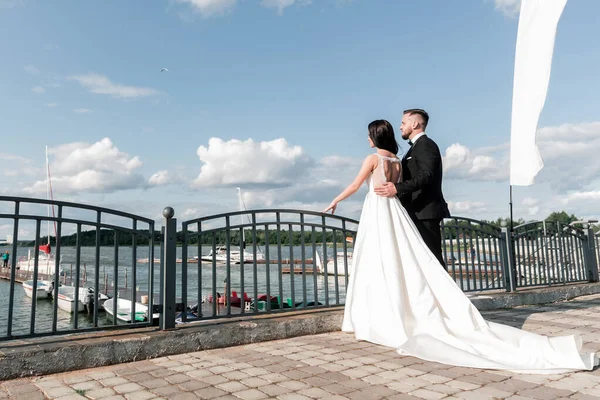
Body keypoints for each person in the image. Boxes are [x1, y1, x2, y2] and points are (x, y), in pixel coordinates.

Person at [322, 118, 597, 374]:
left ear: (374, 136)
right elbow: (401, 184)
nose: (367, 139)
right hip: (395, 211)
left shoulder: (375, 158)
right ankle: (395, 310)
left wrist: (335, 200)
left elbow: (357, 185)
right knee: (399, 259)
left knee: (377, 261)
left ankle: (378, 316)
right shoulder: (396, 159)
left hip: (378, 211)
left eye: (369, 135)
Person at [374, 109, 450, 268]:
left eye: (403, 123)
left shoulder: (426, 145)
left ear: (415, 124)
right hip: (416, 211)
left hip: (425, 212)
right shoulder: (416, 147)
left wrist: (397, 188)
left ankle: (444, 293)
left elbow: (426, 175)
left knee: (432, 259)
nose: (400, 127)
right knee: (422, 260)